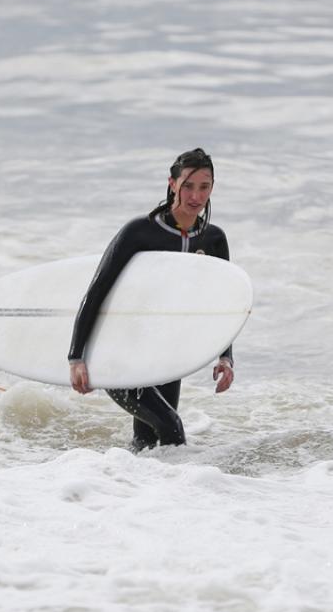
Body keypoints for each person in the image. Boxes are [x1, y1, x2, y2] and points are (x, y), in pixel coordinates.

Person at [67, 148, 235, 451]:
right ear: (172, 184)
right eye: (187, 186)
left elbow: (221, 305)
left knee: (149, 443)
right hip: (118, 353)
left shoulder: (213, 240)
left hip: (166, 356)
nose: (195, 196)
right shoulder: (139, 232)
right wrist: (77, 357)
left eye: (204, 186)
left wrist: (225, 357)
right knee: (172, 427)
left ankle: (122, 479)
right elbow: (96, 292)